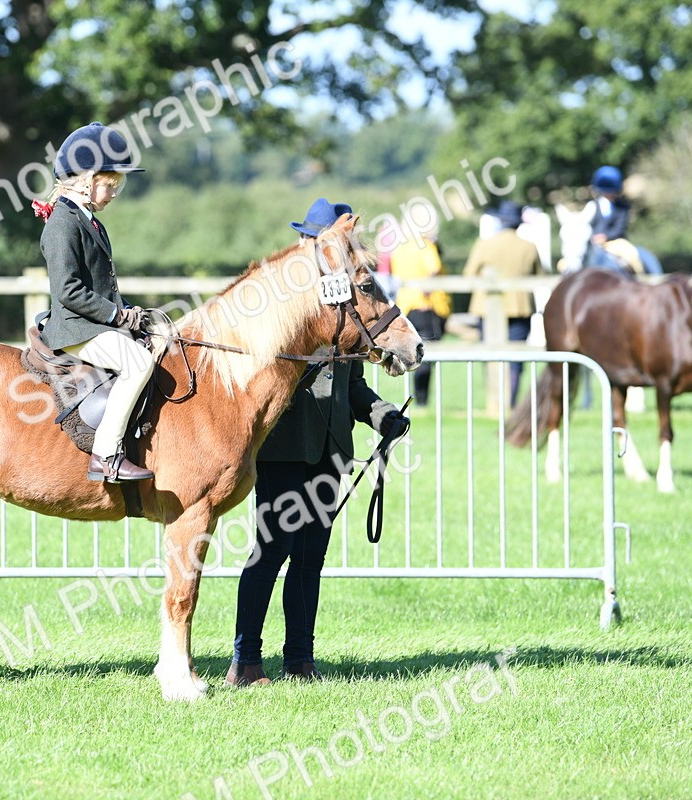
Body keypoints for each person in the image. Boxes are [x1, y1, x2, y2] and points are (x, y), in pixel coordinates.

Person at [225, 198, 410, 686]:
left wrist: (381, 415)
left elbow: (353, 389)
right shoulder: (281, 311)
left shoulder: (346, 309)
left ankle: (300, 661)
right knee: (270, 553)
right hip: (285, 450)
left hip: (330, 454)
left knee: (311, 559)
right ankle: (245, 660)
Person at [37, 122, 155, 483]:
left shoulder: (87, 220)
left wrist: (132, 312)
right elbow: (68, 291)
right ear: (86, 179)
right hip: (75, 327)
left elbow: (101, 284)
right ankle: (106, 456)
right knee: (138, 362)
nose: (115, 192)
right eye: (110, 183)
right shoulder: (62, 224)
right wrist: (117, 316)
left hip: (93, 321)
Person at [463, 200, 541, 406]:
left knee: (490, 356)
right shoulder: (529, 247)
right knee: (515, 359)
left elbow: (469, 274)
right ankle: (510, 402)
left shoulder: (484, 244)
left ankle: (494, 402)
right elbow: (539, 277)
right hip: (519, 307)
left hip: (485, 309)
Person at [389, 225, 450, 406]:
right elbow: (434, 268)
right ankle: (421, 400)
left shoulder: (399, 249)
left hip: (406, 306)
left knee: (413, 353)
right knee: (425, 355)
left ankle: (416, 398)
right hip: (426, 306)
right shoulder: (426, 246)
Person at [583, 166, 662, 274]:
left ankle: (640, 275)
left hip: (616, 242)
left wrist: (605, 236)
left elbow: (620, 228)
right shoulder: (592, 206)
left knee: (632, 254)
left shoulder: (622, 207)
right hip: (593, 243)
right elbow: (585, 225)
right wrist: (593, 237)